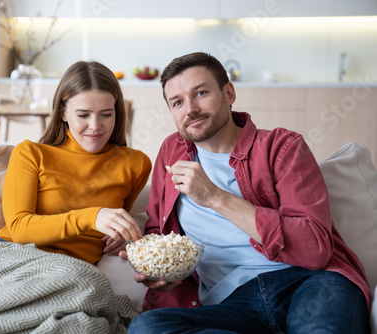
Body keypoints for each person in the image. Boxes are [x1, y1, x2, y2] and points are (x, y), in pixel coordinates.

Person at [125, 52, 371, 333]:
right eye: (177, 102)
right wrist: (158, 270)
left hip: (309, 282)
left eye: (201, 93)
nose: (190, 109)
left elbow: (314, 249)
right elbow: (159, 229)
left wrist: (215, 197)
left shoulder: (281, 147)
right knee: (148, 327)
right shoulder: (172, 151)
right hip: (231, 305)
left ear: (228, 93)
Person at [0, 60, 152, 264]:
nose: (95, 126)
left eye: (106, 114)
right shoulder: (30, 154)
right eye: (83, 115)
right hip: (11, 257)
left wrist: (119, 235)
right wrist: (92, 217)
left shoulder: (136, 164)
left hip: (74, 272)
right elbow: (19, 228)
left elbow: (115, 223)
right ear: (63, 113)